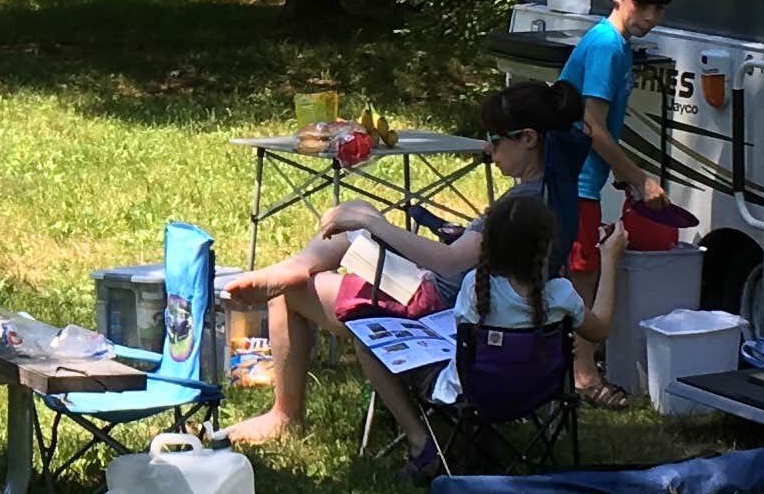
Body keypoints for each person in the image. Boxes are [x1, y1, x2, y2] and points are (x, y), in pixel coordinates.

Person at [224, 81, 560, 448]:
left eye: (496, 140)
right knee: (357, 214)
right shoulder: (562, 195)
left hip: (435, 309)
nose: (486, 147)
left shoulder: (518, 208)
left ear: (528, 138)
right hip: (457, 301)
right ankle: (297, 264)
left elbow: (449, 263)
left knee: (289, 292)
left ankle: (284, 415)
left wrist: (375, 226)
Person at [338, 184, 583, 483]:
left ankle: (421, 442)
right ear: (548, 246)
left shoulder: (475, 288)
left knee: (367, 344)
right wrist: (609, 260)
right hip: (538, 390)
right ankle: (479, 441)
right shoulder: (563, 295)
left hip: (472, 390)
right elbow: (601, 327)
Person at [562, 0, 679, 406]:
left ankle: (574, 366)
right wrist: (638, 177)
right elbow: (592, 127)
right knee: (583, 277)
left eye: (660, 8)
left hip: (582, 178)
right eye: (643, 5)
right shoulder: (609, 47)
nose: (651, 16)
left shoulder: (617, 45)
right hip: (575, 181)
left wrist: (620, 172)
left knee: (579, 273)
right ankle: (584, 374)